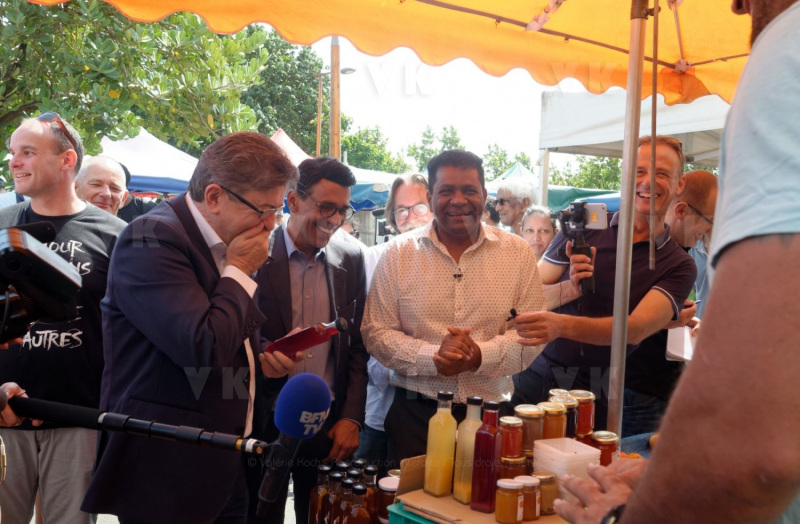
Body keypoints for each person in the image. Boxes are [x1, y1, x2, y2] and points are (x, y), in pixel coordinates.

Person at [555, 1, 800, 522]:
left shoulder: (788, 51)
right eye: (640, 169)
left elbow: (754, 438)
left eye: (662, 172)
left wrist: (625, 517)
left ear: (679, 191)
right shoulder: (596, 230)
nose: (736, 5)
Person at [81, 132, 298, 524]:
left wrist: (259, 357)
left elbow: (225, 333)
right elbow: (201, 346)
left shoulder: (232, 241)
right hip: (169, 470)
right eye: (264, 210)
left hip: (229, 458)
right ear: (214, 196)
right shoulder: (150, 238)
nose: (271, 224)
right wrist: (240, 271)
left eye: (277, 210)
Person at [362, 150, 545, 465]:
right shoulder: (397, 254)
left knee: (485, 508)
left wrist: (478, 356)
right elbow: (376, 332)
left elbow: (532, 335)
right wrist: (432, 358)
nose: (458, 200)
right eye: (446, 191)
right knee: (414, 509)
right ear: (431, 198)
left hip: (492, 416)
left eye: (469, 190)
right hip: (414, 416)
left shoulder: (517, 254)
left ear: (484, 195)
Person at [511, 136, 697, 428]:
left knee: (577, 472)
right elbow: (525, 297)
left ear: (679, 184)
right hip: (536, 374)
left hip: (596, 393)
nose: (648, 182)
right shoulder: (584, 226)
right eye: (638, 172)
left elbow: (634, 330)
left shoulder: (679, 264)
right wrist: (569, 287)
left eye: (661, 173)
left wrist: (561, 325)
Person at [0, 112, 126, 524]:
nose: (14, 161)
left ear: (66, 159)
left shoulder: (114, 234)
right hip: (4, 414)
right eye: (12, 153)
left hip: (77, 418)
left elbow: (129, 330)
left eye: (28, 152)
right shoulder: (1, 228)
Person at [252, 156, 368, 524]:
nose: (335, 219)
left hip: (326, 422)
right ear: (292, 200)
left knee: (320, 516)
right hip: (262, 418)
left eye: (342, 210)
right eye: (326, 207)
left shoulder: (350, 257)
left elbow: (357, 346)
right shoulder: (252, 252)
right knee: (257, 513)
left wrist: (351, 416)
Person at [621, 169, 716, 436]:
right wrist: (668, 320)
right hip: (640, 387)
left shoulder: (680, 249)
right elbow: (624, 315)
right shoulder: (648, 251)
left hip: (657, 383)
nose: (709, 229)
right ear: (682, 210)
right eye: (709, 220)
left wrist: (682, 321)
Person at [356, 173, 435, 477]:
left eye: (418, 207)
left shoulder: (451, 265)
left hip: (427, 412)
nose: (409, 217)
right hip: (377, 410)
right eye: (401, 210)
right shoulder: (372, 258)